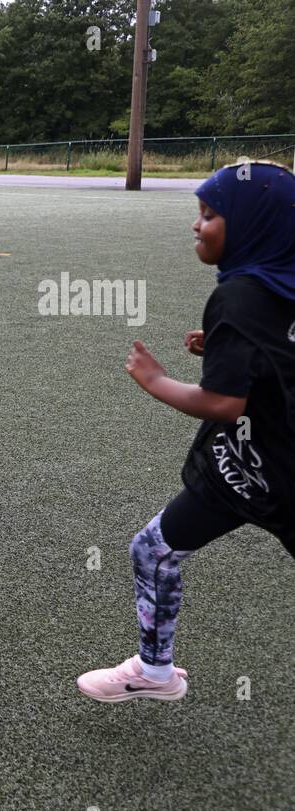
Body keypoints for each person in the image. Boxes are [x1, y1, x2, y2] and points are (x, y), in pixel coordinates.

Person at [78, 162, 295, 702]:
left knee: (151, 550)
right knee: (152, 548)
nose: (197, 226)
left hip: (280, 477)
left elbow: (223, 403)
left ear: (250, 225)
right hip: (242, 472)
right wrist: (224, 347)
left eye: (210, 214)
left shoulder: (240, 296)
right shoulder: (277, 283)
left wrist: (155, 380)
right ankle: (154, 674)